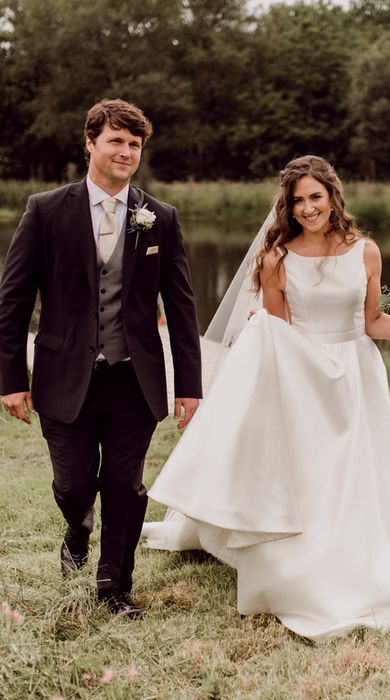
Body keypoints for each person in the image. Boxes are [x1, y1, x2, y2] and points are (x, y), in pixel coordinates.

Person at [143, 155, 390, 642]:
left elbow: (372, 323)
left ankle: (354, 556)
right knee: (308, 471)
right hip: (302, 375)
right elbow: (277, 333)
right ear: (288, 207)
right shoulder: (276, 258)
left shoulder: (367, 252)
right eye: (298, 201)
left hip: (356, 374)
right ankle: (296, 567)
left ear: (333, 196)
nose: (309, 208)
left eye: (316, 197)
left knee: (353, 471)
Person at [0, 99, 202, 619]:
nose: (126, 152)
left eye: (135, 144)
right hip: (63, 374)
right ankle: (76, 525)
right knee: (72, 484)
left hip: (135, 379)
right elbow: (14, 301)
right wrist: (10, 379)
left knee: (125, 486)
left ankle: (114, 586)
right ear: (90, 143)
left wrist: (189, 385)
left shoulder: (160, 217)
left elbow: (181, 307)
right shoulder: (44, 210)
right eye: (116, 141)